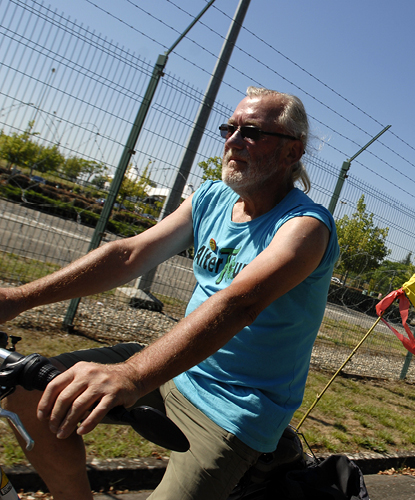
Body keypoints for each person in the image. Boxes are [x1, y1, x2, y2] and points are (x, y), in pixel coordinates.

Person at [0, 86, 340, 500]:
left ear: (293, 151)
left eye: (251, 132)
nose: (233, 141)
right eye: (229, 128)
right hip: (174, 370)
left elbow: (239, 304)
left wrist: (130, 374)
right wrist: (17, 298)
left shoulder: (305, 226)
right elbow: (129, 255)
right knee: (20, 392)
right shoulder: (212, 197)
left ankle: (266, 465)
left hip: (235, 407)